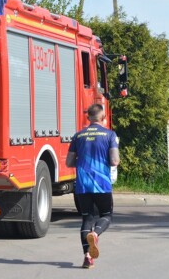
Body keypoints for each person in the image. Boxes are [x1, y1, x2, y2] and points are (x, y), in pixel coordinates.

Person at [66, 104, 120, 269]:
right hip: (102, 183)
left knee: (87, 218)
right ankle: (95, 234)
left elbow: (69, 162)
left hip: (82, 184)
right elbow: (114, 161)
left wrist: (82, 162)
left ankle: (88, 257)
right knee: (106, 215)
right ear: (103, 118)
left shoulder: (78, 136)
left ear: (88, 117)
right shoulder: (109, 135)